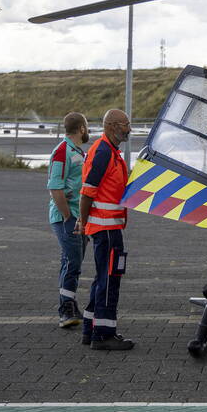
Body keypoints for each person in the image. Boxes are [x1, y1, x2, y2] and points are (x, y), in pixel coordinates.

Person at [75, 109, 134, 351]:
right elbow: (87, 190)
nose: (129, 129)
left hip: (107, 227)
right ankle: (104, 335)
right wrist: (83, 221)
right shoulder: (103, 152)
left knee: (102, 279)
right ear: (111, 125)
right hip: (106, 229)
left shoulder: (110, 151)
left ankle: (90, 330)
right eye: (125, 124)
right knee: (110, 280)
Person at [47, 112, 89, 328]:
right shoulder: (63, 151)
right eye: (87, 127)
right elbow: (55, 187)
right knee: (72, 262)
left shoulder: (76, 152)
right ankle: (65, 310)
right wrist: (68, 218)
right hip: (68, 217)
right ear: (81, 128)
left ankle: (70, 305)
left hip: (78, 217)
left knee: (72, 262)